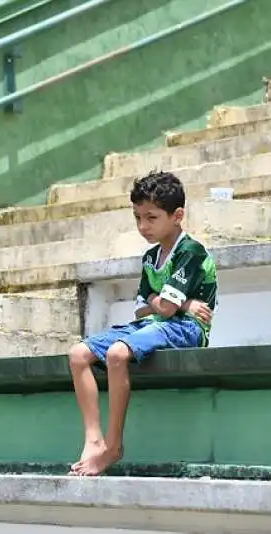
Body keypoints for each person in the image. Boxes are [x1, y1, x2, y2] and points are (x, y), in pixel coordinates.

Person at [67, 170, 218, 476]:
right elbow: (143, 309)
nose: (142, 226)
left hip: (187, 330)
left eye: (151, 218)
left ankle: (113, 445)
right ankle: (93, 439)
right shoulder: (151, 257)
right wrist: (179, 303)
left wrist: (163, 303)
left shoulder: (191, 252)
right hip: (161, 323)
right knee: (78, 354)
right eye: (137, 218)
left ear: (177, 216)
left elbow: (161, 306)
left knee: (116, 354)